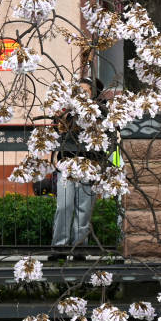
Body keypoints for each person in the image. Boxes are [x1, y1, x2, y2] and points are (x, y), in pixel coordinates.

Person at [52, 77, 104, 249]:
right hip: (66, 166)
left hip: (88, 165)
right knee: (64, 206)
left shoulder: (99, 112)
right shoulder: (68, 111)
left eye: (85, 91)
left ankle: (80, 247)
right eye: (78, 91)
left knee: (84, 210)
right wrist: (63, 116)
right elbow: (56, 132)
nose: (81, 94)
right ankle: (59, 247)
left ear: (93, 94)